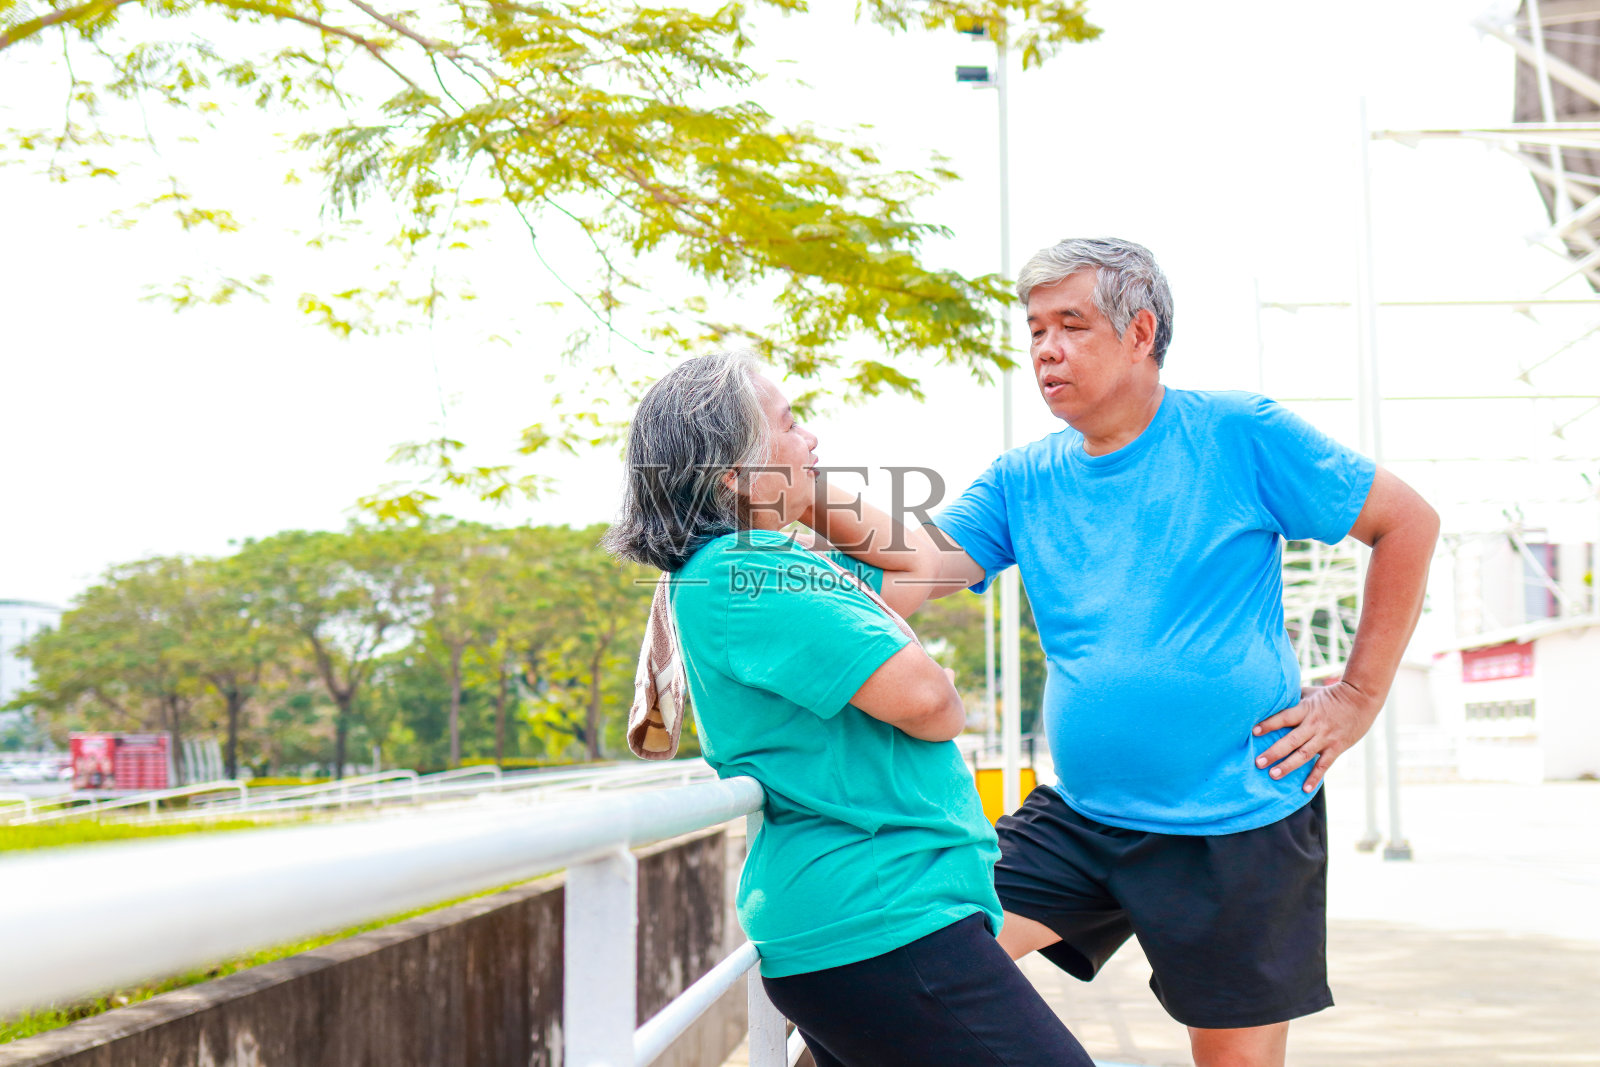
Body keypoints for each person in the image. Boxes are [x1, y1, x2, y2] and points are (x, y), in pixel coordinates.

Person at [918, 238, 1441, 1067]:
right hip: (1084, 814)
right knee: (920, 960)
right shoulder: (1023, 478)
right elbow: (909, 570)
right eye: (1034, 329)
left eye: (1071, 324)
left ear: (1139, 331)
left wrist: (1358, 696)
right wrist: (783, 517)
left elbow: (1407, 521)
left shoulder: (1239, 432)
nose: (1045, 348)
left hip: (1241, 817)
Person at [605, 352, 1093, 1067]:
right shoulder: (752, 571)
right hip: (882, 919)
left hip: (875, 918)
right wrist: (778, 489)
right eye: (790, 423)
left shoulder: (761, 563)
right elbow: (933, 704)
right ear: (734, 475)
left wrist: (795, 487)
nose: (813, 440)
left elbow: (914, 565)